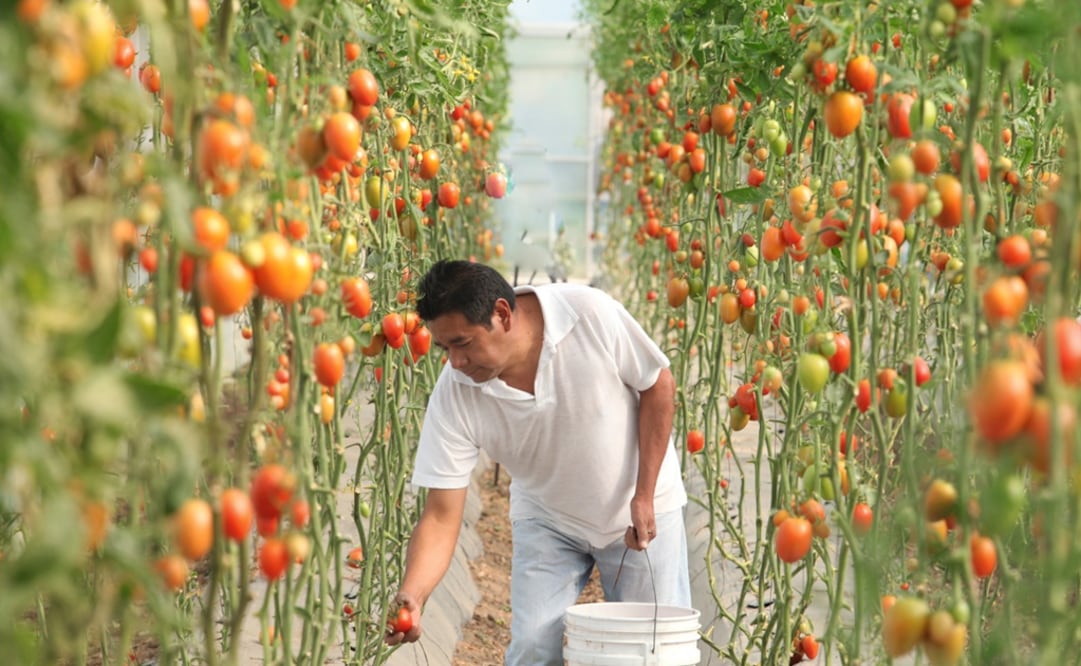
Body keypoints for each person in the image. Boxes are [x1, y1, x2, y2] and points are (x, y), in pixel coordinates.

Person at [385, 259, 691, 665]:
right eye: (444, 348)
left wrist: (645, 494)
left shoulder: (587, 316)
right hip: (549, 519)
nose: (455, 362)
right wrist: (415, 593)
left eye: (463, 343)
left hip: (639, 508)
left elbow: (658, 384)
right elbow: (441, 515)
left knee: (656, 650)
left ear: (502, 314)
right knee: (532, 646)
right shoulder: (456, 393)